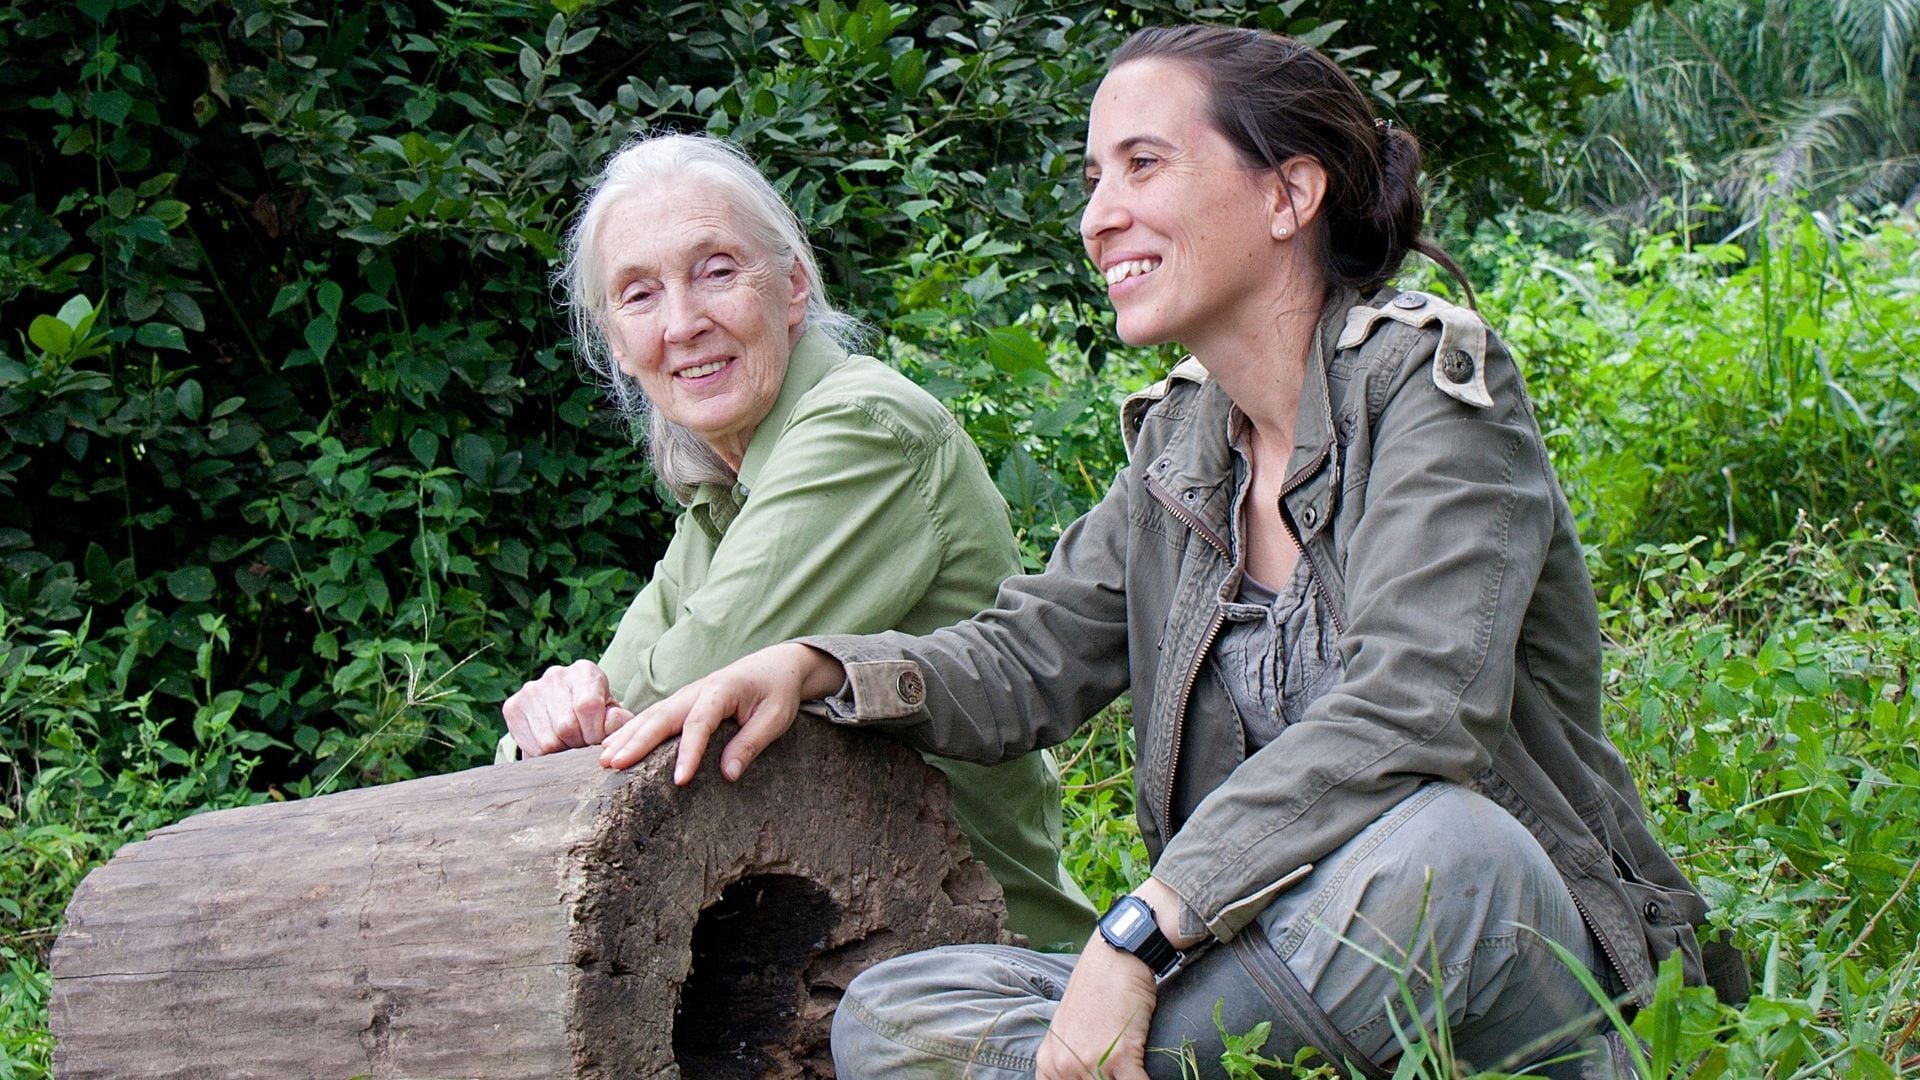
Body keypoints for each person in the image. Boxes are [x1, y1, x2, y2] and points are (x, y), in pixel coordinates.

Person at [597, 27, 1747, 1080]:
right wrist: (819, 665)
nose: (1099, 217)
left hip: (1495, 955)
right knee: (893, 1012)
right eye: (1094, 180)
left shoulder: (1434, 393)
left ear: (1289, 193)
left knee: (1452, 850)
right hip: (1261, 950)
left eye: (1142, 166)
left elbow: (1418, 707)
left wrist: (1141, 930)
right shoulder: (1183, 446)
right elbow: (1025, 656)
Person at [499, 132, 1096, 950]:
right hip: (840, 959)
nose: (683, 323)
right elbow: (591, 735)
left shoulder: (864, 431)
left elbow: (652, 717)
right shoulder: (722, 497)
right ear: (616, 346)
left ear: (791, 286)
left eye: (717, 271)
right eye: (639, 295)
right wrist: (542, 723)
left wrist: (574, 734)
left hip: (992, 964)